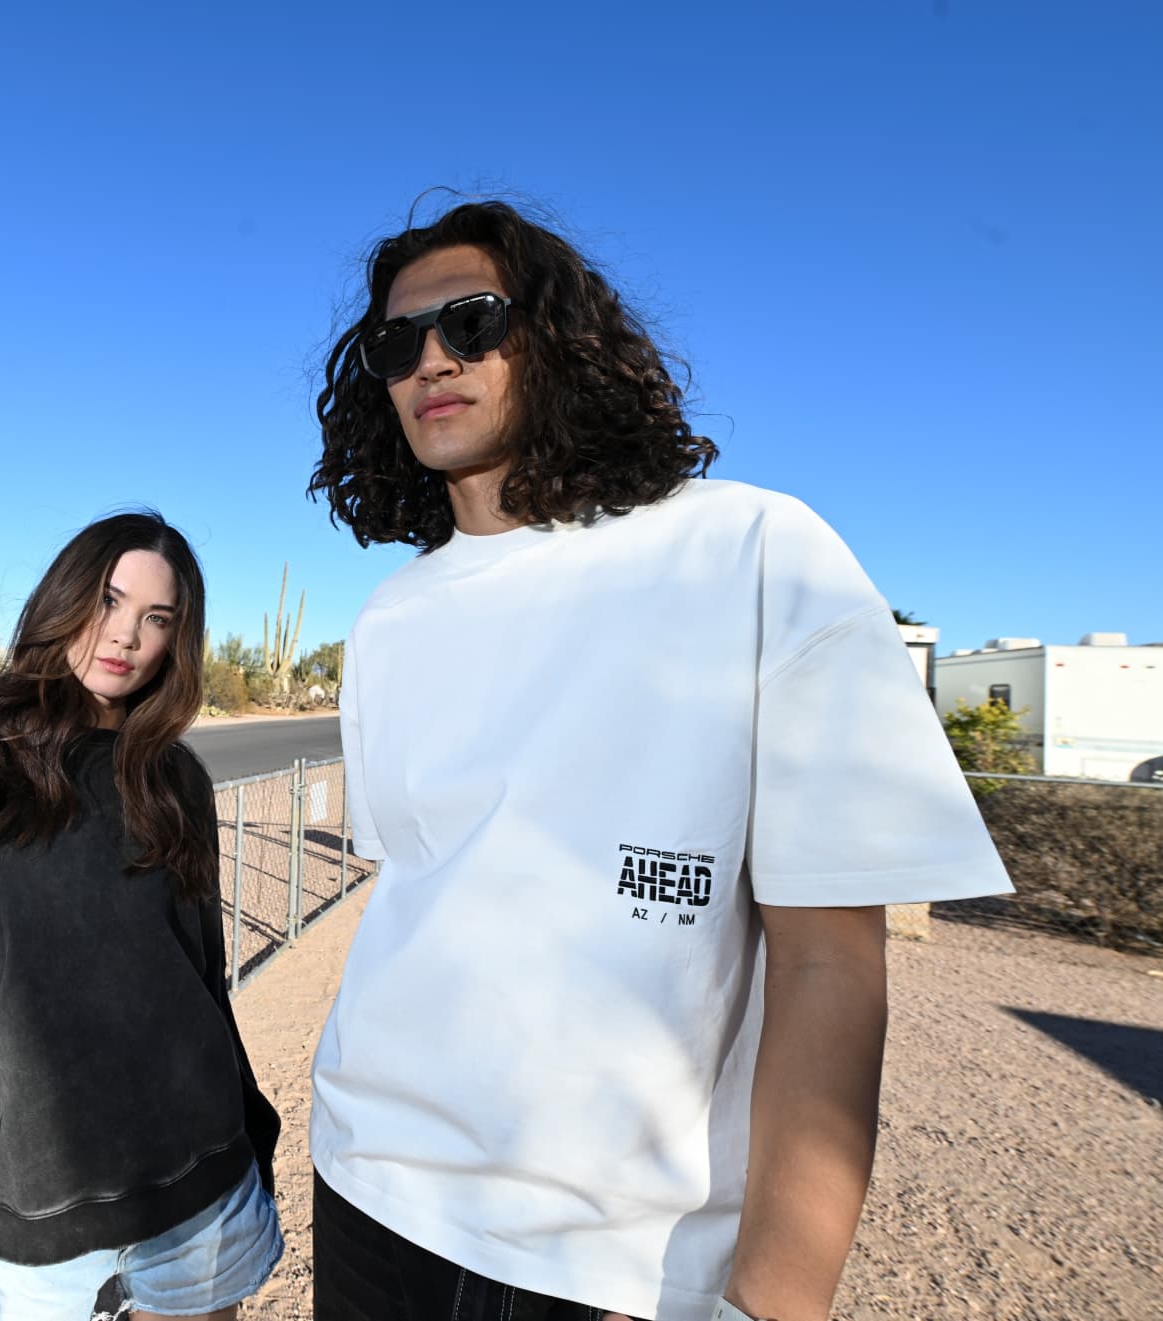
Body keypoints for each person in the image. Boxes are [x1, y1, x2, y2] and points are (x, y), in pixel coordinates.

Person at [304, 200, 1012, 1321]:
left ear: (557, 339)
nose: (431, 358)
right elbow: (420, 891)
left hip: (619, 1264)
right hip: (365, 1187)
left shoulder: (753, 549)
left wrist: (773, 1300)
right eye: (397, 342)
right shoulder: (390, 618)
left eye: (472, 323)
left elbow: (830, 964)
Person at [0, 511, 283, 1321]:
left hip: (199, 1196)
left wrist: (252, 1136)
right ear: (62, 599)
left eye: (156, 619)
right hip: (33, 1230)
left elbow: (202, 979)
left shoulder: (174, 781)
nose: (124, 635)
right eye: (107, 600)